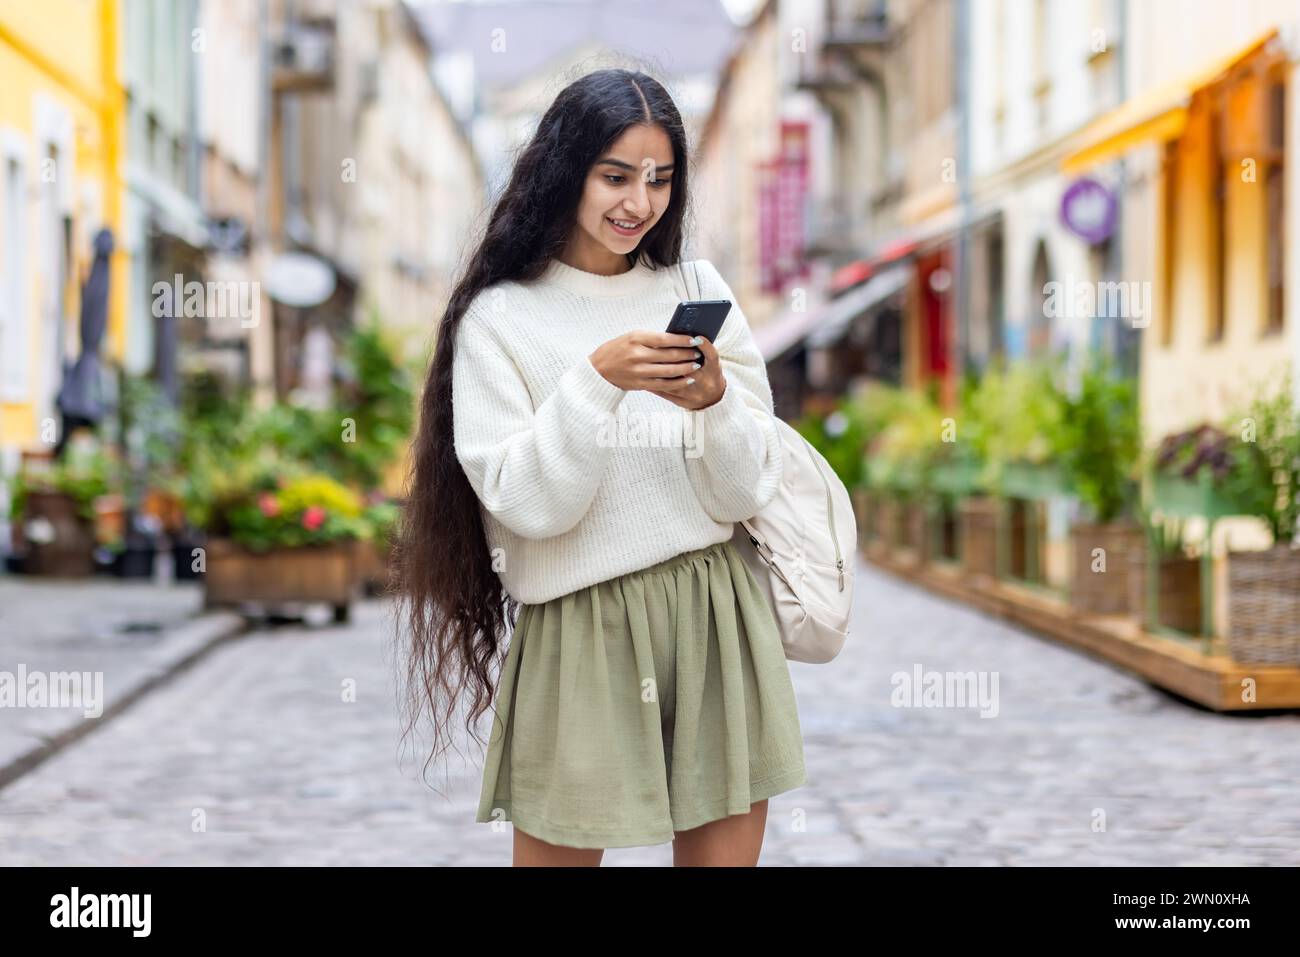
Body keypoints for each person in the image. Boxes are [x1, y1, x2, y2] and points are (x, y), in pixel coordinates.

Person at [395, 68, 805, 867]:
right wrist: (597, 380)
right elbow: (528, 504)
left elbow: (750, 485)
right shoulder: (501, 319)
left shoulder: (695, 288)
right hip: (577, 628)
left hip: (713, 612)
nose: (638, 202)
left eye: (659, 178)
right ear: (565, 170)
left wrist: (714, 402)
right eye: (615, 175)